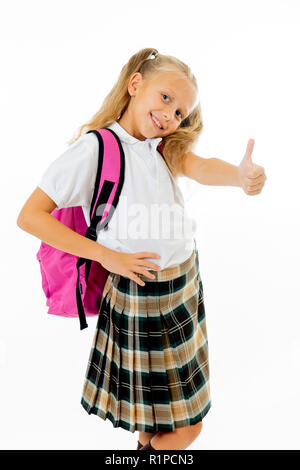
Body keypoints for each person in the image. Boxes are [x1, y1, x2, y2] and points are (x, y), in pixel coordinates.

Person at [16, 47, 267, 451]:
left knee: (154, 426)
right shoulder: (96, 149)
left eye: (181, 112)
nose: (171, 115)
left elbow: (200, 166)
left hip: (183, 286)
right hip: (141, 296)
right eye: (166, 98)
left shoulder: (163, 147)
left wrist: (240, 175)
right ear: (136, 84)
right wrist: (108, 256)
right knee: (186, 428)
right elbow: (30, 216)